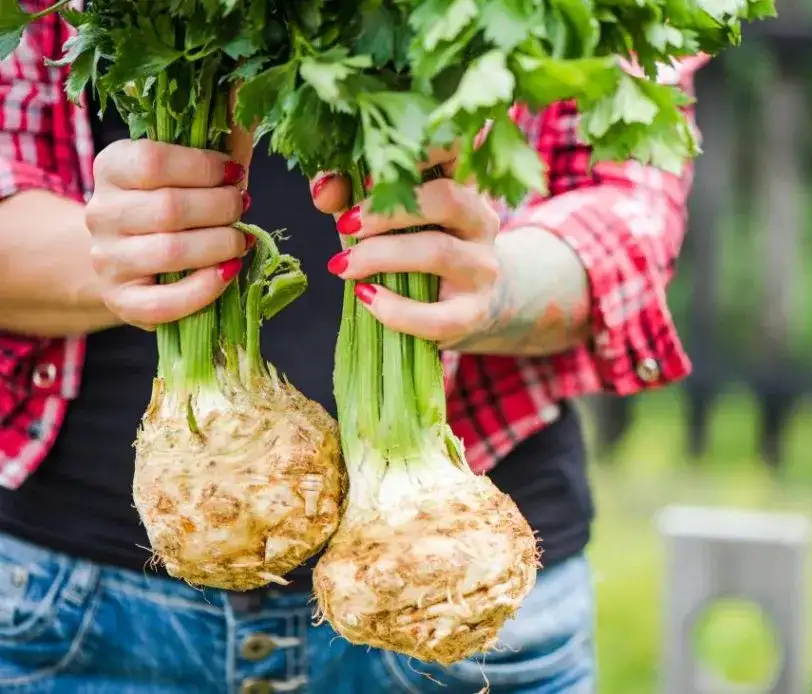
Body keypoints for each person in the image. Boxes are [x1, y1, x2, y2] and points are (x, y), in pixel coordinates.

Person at [0, 5, 702, 693]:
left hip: (448, 576)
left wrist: (490, 287)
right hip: (73, 611)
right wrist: (124, 252)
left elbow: (629, 203)